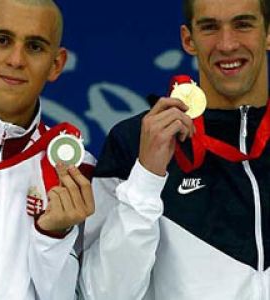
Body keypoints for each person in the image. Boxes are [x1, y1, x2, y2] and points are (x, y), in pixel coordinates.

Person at [78, 0, 270, 299]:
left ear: (268, 33)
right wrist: (146, 177)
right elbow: (103, 293)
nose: (227, 44)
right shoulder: (133, 141)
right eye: (209, 27)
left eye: (243, 24)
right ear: (187, 39)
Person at [0, 0, 95, 299]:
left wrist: (53, 236)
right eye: (2, 40)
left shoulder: (78, 174)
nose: (16, 59)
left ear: (56, 65)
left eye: (35, 47)